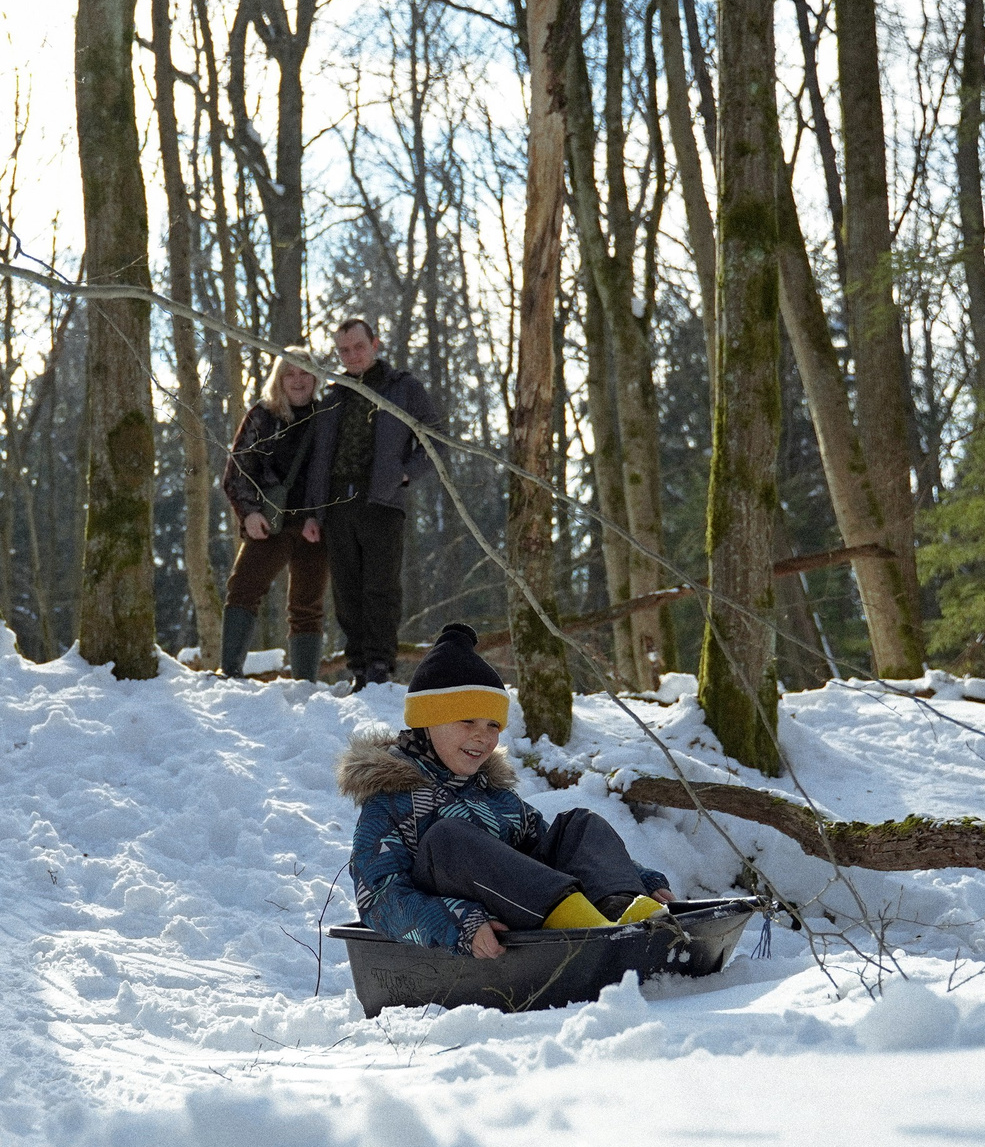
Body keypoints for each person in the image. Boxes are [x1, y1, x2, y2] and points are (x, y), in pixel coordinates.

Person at [338, 624, 675, 959]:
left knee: (579, 826)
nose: (483, 737)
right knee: (449, 838)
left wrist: (638, 879)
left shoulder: (494, 795)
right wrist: (459, 922)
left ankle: (621, 909)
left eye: (493, 725)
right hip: (470, 928)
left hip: (529, 914)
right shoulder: (391, 800)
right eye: (467, 721)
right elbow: (377, 899)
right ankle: (589, 931)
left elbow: (561, 853)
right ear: (427, 721)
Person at [301, 316, 446, 690]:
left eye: (358, 347)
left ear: (375, 344)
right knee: (346, 592)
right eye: (344, 350)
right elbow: (319, 460)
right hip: (337, 505)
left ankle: (380, 666)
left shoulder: (402, 388)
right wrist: (314, 513)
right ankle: (359, 669)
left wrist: (405, 473)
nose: (352, 355)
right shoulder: (333, 396)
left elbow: (437, 439)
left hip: (382, 501)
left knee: (380, 588)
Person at [217, 349, 332, 681]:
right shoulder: (262, 416)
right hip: (270, 523)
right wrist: (249, 514)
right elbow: (237, 471)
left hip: (314, 528)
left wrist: (318, 517)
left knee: (307, 607)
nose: (297, 380)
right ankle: (229, 672)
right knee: (242, 589)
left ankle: (305, 685)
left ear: (315, 378)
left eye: (304, 373)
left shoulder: (327, 418)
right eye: (289, 374)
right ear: (278, 379)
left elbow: (334, 476)